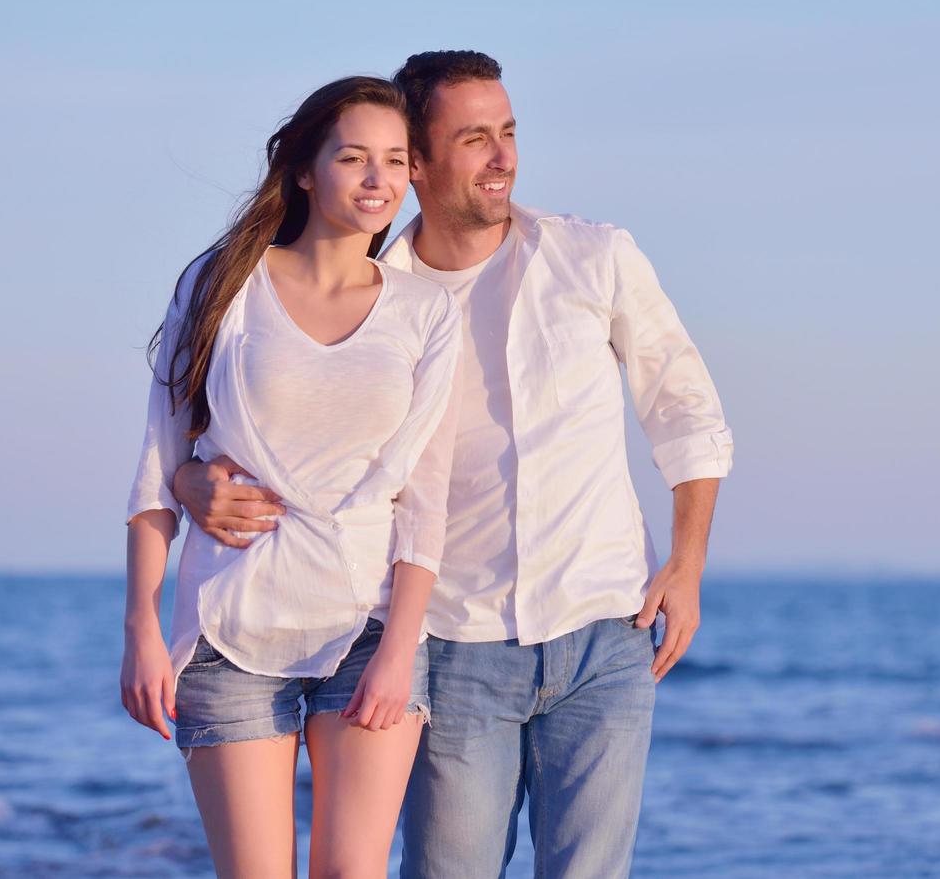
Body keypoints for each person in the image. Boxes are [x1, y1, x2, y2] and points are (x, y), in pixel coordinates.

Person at [175, 50, 733, 878]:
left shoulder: (593, 256)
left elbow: (684, 406)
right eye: (474, 139)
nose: (503, 156)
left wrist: (686, 563)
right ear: (420, 163)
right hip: (453, 639)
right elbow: (278, 437)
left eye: (508, 133)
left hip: (601, 630)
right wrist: (191, 480)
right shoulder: (379, 294)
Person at [120, 76, 461, 877]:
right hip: (230, 630)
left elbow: (424, 498)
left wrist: (400, 648)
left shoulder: (424, 312)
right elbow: (157, 469)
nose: (378, 181)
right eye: (353, 158)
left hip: (366, 629)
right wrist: (140, 625)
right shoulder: (220, 286)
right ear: (304, 169)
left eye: (395, 161)